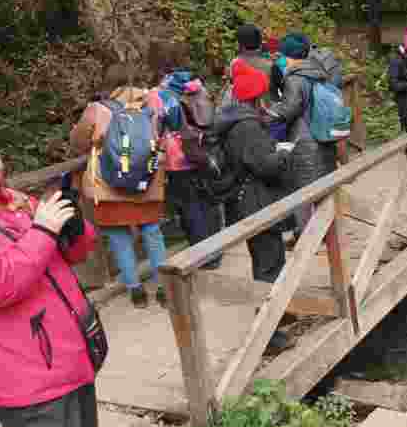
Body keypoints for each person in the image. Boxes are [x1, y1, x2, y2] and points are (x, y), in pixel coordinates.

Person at [0, 152, 128, 427]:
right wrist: (43, 230)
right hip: (26, 374)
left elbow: (75, 252)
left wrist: (71, 224)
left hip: (67, 355)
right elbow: (4, 283)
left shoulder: (13, 201)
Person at [69, 64, 169, 309]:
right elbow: (159, 140)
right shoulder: (150, 106)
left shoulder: (97, 109)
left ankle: (136, 291)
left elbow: (78, 143)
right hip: (146, 183)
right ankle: (164, 288)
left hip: (108, 187)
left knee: (119, 238)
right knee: (152, 234)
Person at [215, 62, 292, 349]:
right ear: (257, 96)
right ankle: (269, 334)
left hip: (248, 199)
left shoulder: (236, 120)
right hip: (256, 200)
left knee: (270, 258)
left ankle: (279, 313)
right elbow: (264, 166)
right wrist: (283, 155)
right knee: (268, 263)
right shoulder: (247, 127)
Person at [148, 50, 222, 270]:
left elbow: (154, 129)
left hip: (177, 157)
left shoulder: (158, 95)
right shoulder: (196, 86)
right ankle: (217, 249)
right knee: (207, 200)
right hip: (202, 151)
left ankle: (202, 256)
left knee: (189, 206)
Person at [272, 32, 336, 242]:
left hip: (304, 140)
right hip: (324, 138)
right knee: (323, 189)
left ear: (288, 55)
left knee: (302, 192)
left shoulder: (295, 78)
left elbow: (289, 109)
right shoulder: (320, 72)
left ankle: (307, 239)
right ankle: (329, 234)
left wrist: (268, 112)